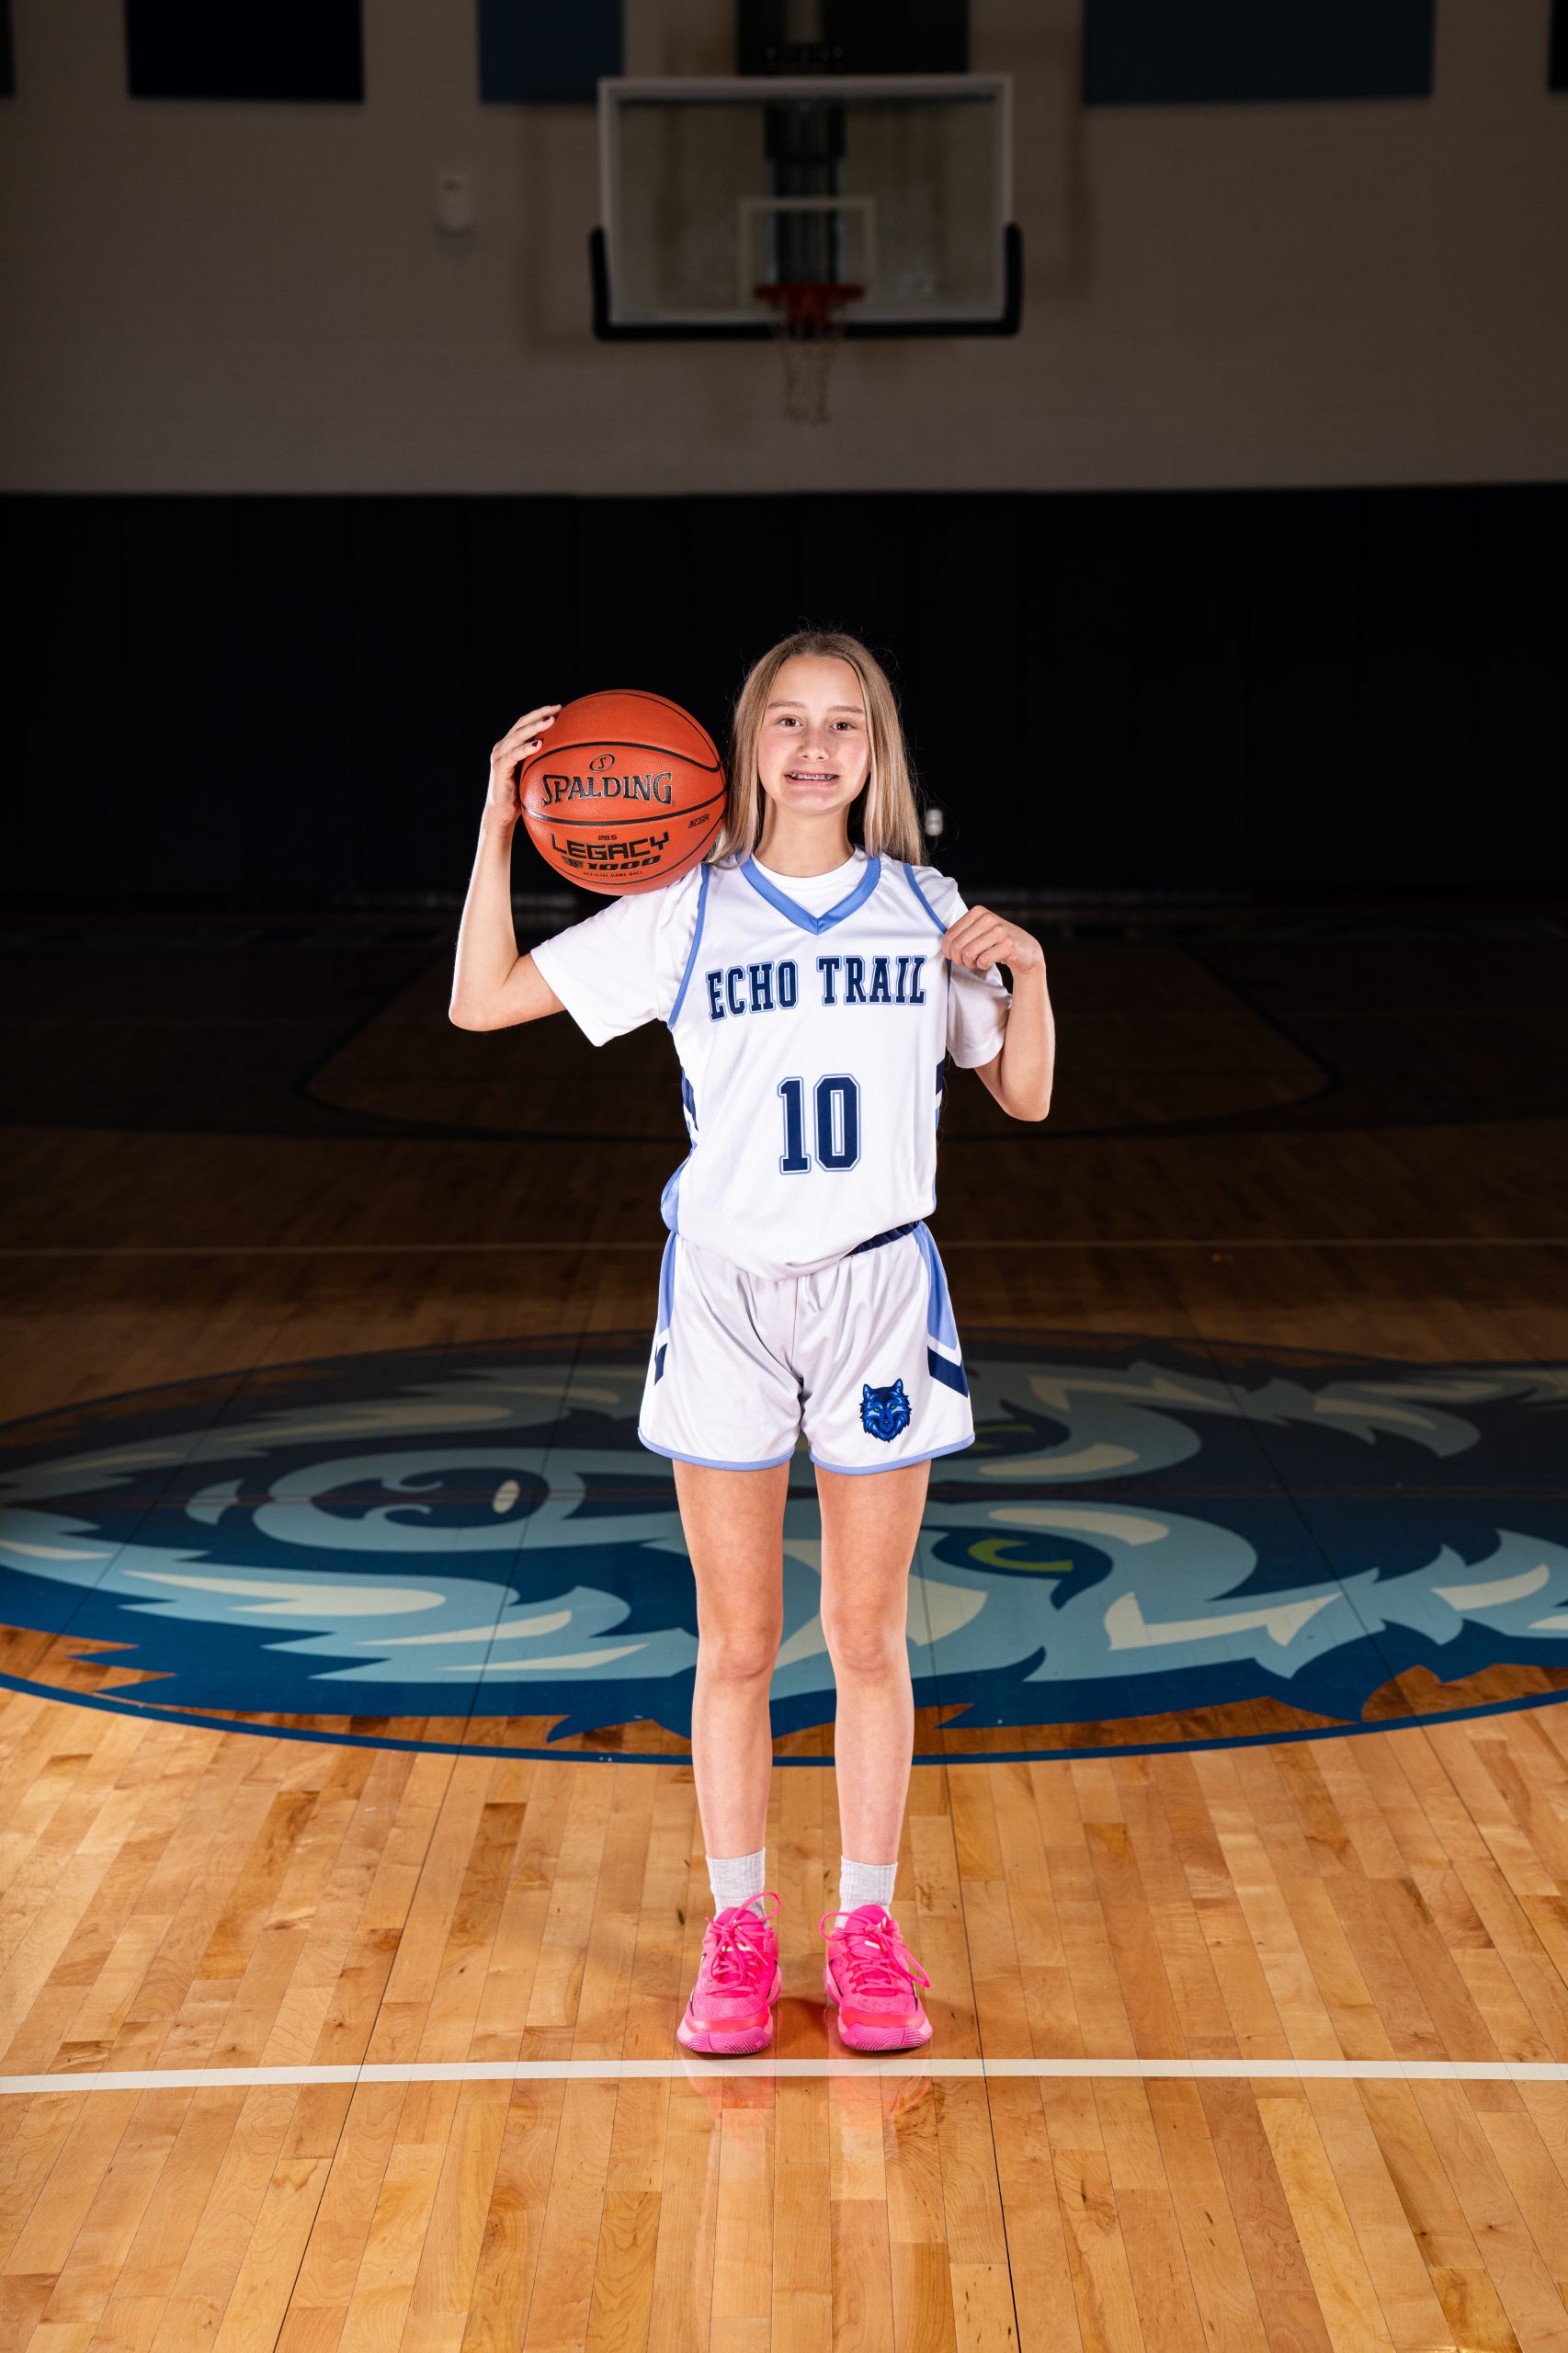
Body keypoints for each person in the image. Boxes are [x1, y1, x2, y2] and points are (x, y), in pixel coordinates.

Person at [450, 630, 1055, 2054]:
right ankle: (736, 1931)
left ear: (873, 751)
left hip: (875, 1288)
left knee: (862, 1637)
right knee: (735, 1643)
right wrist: (496, 825)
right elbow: (482, 1000)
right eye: (788, 720)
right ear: (744, 745)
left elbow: (1022, 1095)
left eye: (843, 724)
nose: (814, 747)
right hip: (723, 1290)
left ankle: (865, 1930)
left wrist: (1029, 970)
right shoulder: (683, 908)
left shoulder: (924, 906)